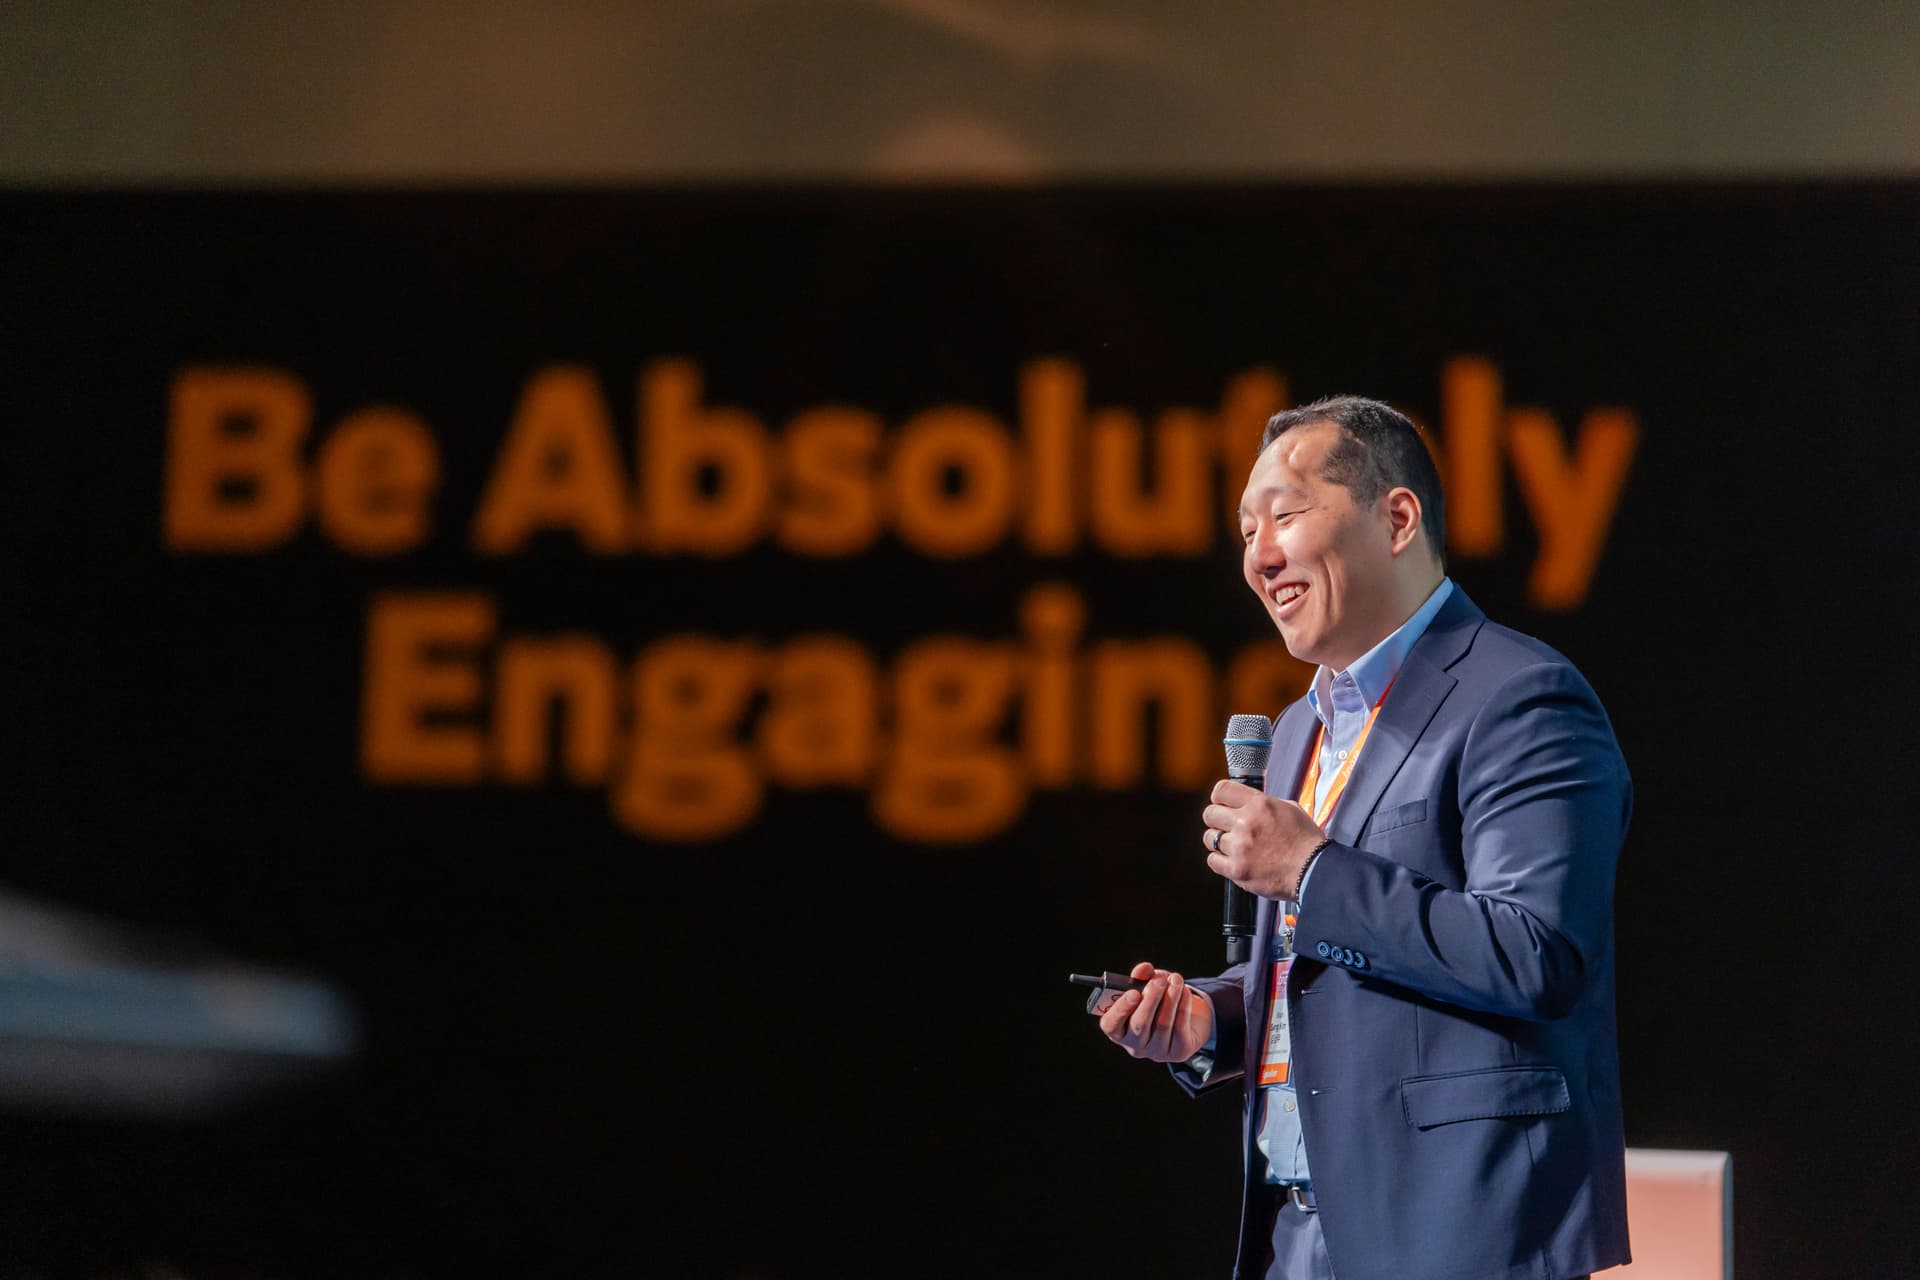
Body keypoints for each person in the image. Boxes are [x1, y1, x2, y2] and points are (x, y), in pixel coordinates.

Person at [1098, 397, 1631, 1280]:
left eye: (1286, 514)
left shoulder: (1521, 697)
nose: (1259, 556)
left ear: (1396, 518)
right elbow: (1324, 970)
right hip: (1301, 1232)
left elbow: (1537, 953)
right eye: (1244, 530)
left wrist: (1309, 868)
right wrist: (1211, 1021)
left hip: (1458, 1235)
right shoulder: (1300, 729)